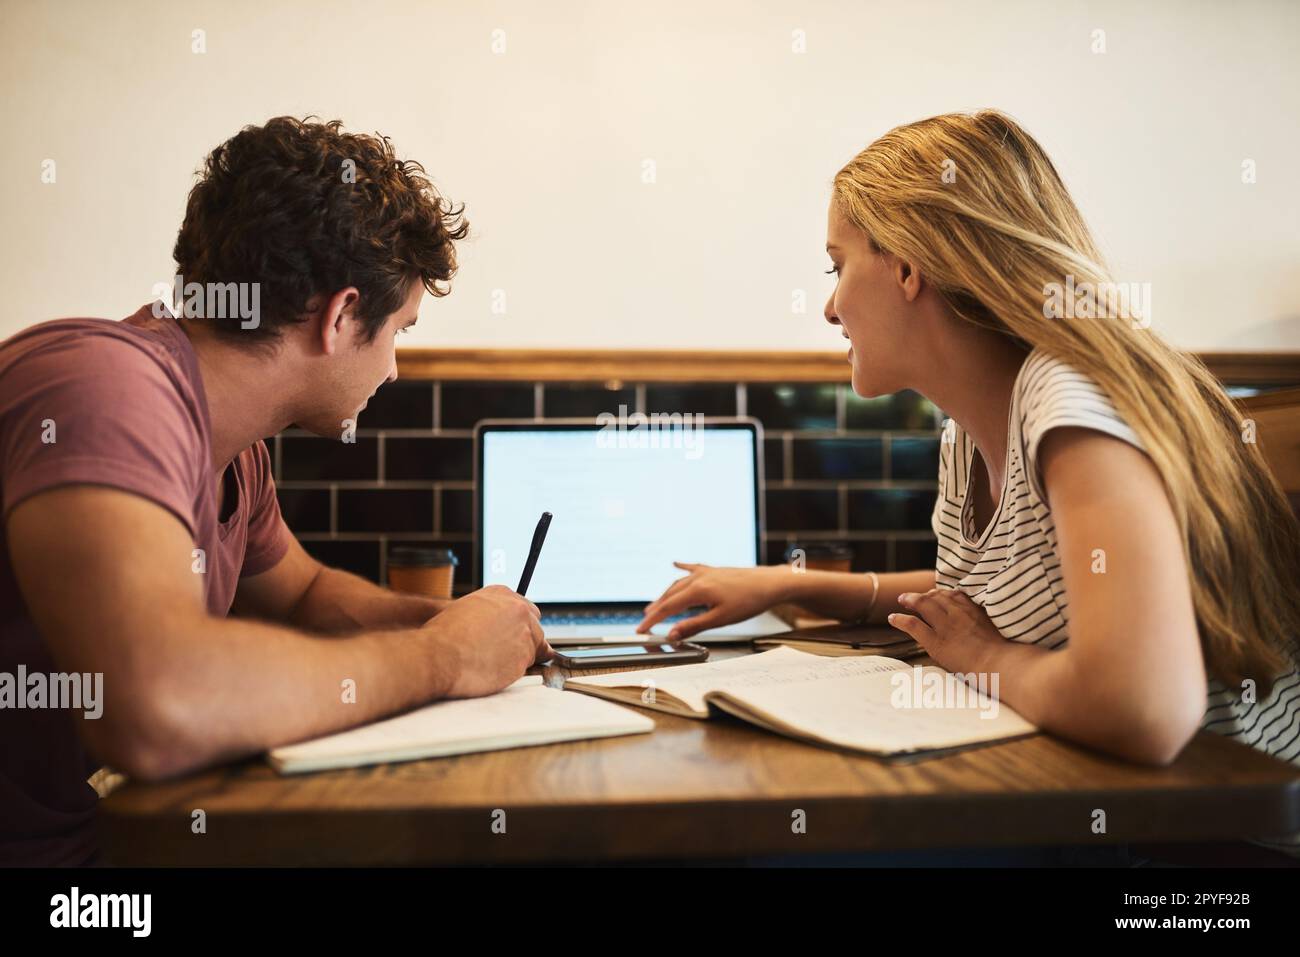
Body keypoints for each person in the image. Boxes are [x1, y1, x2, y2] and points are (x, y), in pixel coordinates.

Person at [638, 110, 1300, 861]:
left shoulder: (1071, 400)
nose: (828, 306)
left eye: (836, 265)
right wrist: (784, 586)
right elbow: (972, 607)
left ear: (908, 268)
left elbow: (1143, 709)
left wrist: (988, 659)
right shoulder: (966, 434)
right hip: (1110, 811)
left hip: (1221, 854)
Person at [0, 116, 553, 866]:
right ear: (340, 316)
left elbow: (302, 596)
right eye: (401, 332)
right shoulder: (108, 390)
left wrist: (463, 625)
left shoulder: (233, 443)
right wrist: (443, 657)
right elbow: (158, 706)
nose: (393, 370)